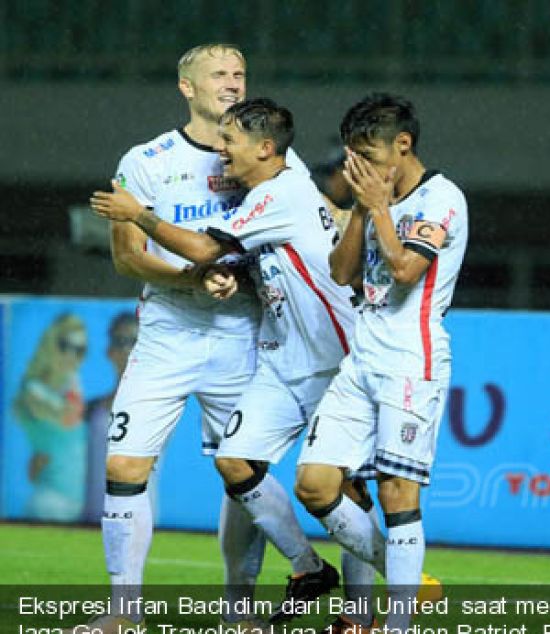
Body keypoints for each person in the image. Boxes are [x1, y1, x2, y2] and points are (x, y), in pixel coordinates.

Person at [81, 43, 318, 632]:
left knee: (239, 473)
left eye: (239, 72)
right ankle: (123, 613)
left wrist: (238, 278)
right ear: (187, 87)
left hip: (242, 336)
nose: (232, 82)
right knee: (126, 464)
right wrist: (192, 274)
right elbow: (127, 260)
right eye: (218, 74)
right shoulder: (146, 160)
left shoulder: (269, 161)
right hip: (167, 334)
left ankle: (240, 613)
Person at [292, 93, 467, 633]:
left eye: (370, 153)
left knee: (396, 492)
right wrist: (364, 208)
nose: (361, 167)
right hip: (362, 359)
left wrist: (380, 207)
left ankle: (396, 624)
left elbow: (406, 269)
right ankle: (406, 580)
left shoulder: (442, 199)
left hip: (411, 363)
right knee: (316, 484)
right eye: (354, 157)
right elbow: (344, 273)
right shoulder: (373, 200)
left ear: (403, 144)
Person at [13, 313, 88, 522]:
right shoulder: (34, 390)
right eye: (65, 346)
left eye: (80, 350)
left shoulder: (68, 385)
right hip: (49, 500)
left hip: (74, 501)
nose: (72, 356)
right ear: (50, 343)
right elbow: (68, 417)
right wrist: (74, 382)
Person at [83, 312, 139, 523]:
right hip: (89, 514)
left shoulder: (159, 408)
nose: (126, 350)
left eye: (133, 342)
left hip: (137, 517)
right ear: (109, 350)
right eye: (120, 341)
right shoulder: (92, 409)